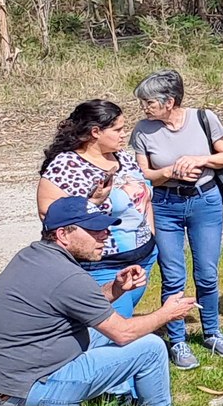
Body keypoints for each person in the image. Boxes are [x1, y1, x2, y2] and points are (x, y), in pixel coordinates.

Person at [0, 197, 192, 406]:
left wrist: (115, 289)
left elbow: (75, 301)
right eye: (94, 230)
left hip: (3, 381)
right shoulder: (68, 276)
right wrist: (167, 314)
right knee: (151, 348)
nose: (105, 234)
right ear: (63, 235)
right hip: (25, 390)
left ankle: (121, 399)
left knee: (100, 332)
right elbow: (123, 333)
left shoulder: (32, 256)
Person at [131, 70, 223, 369]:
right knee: (173, 276)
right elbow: (143, 175)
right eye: (142, 102)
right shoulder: (142, 130)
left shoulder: (204, 118)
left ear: (169, 102)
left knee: (207, 273)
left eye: (149, 102)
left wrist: (200, 160)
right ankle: (178, 341)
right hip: (165, 206)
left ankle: (212, 333)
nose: (144, 107)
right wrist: (168, 172)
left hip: (205, 203)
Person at [39, 100, 156, 318]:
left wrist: (151, 234)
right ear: (95, 132)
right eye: (118, 130)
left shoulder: (122, 157)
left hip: (143, 257)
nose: (124, 135)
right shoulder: (66, 165)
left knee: (125, 317)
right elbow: (49, 215)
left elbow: (144, 198)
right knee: (116, 326)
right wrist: (94, 201)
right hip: (104, 266)